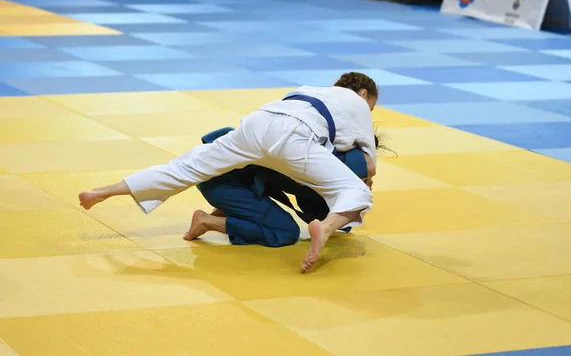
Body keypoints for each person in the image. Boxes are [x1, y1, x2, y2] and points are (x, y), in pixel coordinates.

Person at [78, 72, 379, 273]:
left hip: (256, 124)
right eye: (373, 106)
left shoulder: (308, 88)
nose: (371, 111)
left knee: (184, 168)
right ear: (364, 94)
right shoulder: (358, 104)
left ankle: (101, 192)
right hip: (293, 138)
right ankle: (325, 228)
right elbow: (370, 165)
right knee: (358, 190)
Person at [189, 126, 378, 248]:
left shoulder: (316, 138)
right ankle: (206, 221)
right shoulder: (321, 162)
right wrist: (354, 194)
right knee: (285, 232)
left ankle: (230, 208)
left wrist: (353, 194)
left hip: (217, 168)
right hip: (221, 179)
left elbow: (336, 223)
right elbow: (332, 218)